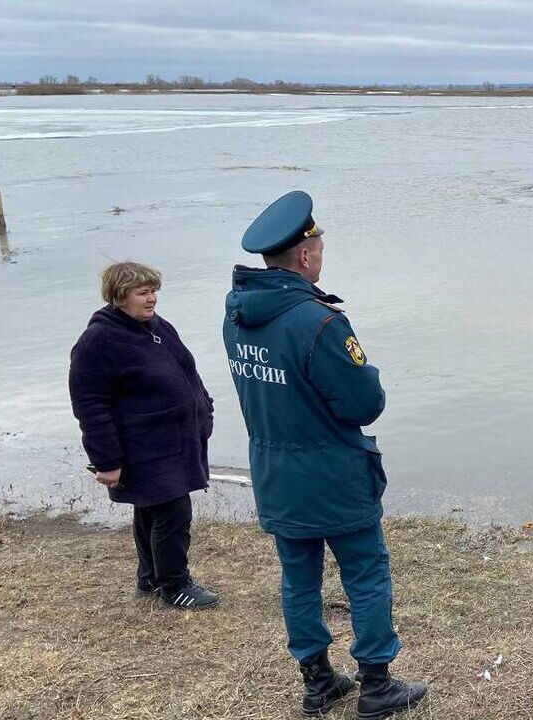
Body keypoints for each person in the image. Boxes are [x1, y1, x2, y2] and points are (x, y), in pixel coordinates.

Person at [222, 190, 426, 719]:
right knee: (366, 573)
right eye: (319, 245)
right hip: (332, 472)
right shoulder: (318, 323)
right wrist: (371, 375)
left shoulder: (237, 317)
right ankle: (377, 684)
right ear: (306, 255)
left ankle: (317, 682)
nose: (321, 254)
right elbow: (364, 402)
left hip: (275, 471)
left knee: (299, 578)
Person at [68, 261, 219, 610]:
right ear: (120, 296)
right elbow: (90, 405)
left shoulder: (156, 326)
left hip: (174, 440)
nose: (151, 299)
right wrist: (107, 460)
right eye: (143, 292)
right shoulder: (98, 342)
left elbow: (187, 370)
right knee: (173, 511)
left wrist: (204, 407)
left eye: (154, 291)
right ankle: (175, 585)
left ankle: (150, 578)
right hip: (144, 446)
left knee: (151, 509)